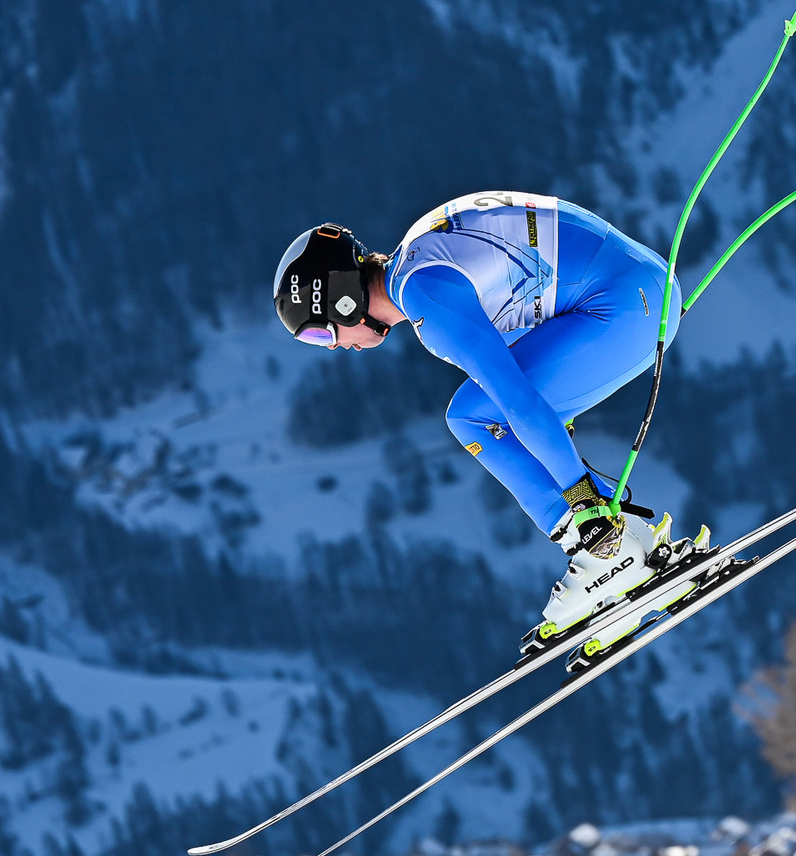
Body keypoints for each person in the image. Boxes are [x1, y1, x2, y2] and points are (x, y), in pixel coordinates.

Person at [273, 192, 697, 632]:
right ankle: (621, 541)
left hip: (625, 309)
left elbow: (519, 402)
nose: (334, 348)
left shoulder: (425, 295)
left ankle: (604, 547)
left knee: (474, 418)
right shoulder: (418, 259)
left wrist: (581, 498)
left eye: (321, 335)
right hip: (636, 289)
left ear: (341, 301)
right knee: (473, 413)